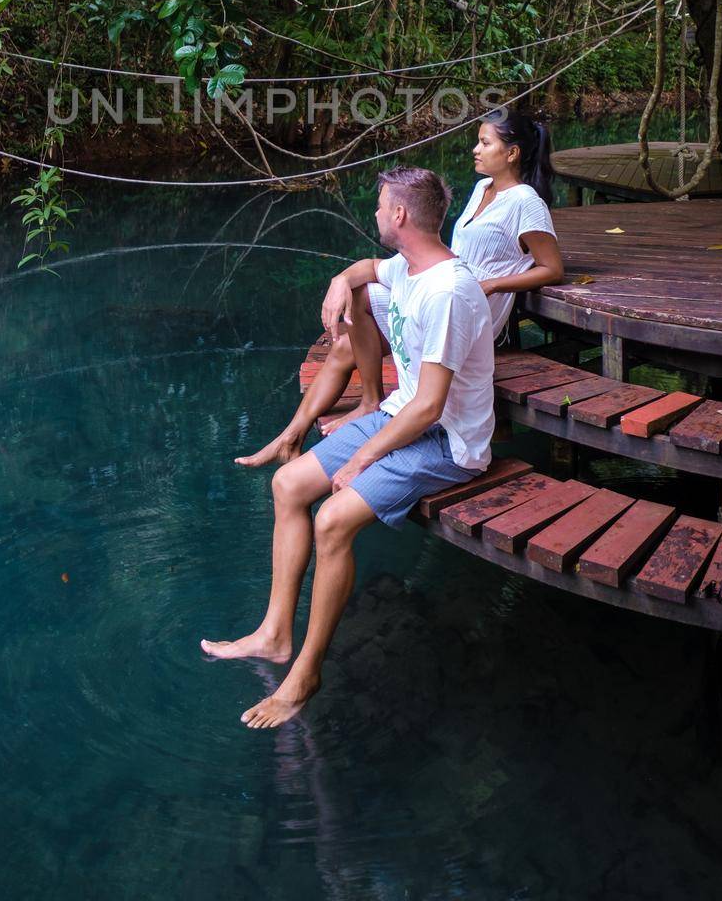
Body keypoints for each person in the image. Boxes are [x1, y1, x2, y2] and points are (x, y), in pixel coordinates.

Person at [201, 166, 496, 728]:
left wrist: (363, 459)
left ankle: (305, 675)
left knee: (332, 520)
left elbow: (431, 406)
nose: (377, 214)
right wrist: (343, 279)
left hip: (447, 442)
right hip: (399, 416)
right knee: (288, 485)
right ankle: (274, 635)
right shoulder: (410, 267)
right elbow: (367, 268)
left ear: (402, 216)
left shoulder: (449, 292)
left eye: (383, 207)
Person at [236, 109, 564, 469]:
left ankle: (352, 411)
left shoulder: (525, 202)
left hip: (468, 307)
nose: (475, 149)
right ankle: (295, 435)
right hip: (443, 288)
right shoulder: (482, 188)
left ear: (512, 153)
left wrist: (493, 284)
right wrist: (341, 280)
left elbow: (551, 268)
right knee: (350, 331)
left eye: (485, 143)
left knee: (352, 335)